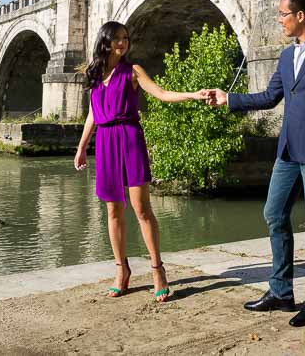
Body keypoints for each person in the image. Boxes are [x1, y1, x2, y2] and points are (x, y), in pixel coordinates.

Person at [205, 0, 305, 327]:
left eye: (283, 14)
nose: (280, 20)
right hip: (287, 150)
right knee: (273, 213)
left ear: (301, 16)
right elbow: (271, 96)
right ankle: (282, 292)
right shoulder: (287, 57)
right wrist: (229, 99)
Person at [74, 21, 207, 302]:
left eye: (126, 38)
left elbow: (160, 93)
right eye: (117, 39)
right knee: (112, 210)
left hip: (130, 138)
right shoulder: (94, 75)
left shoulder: (133, 71)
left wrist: (193, 95)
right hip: (106, 143)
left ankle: (158, 269)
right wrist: (83, 145)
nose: (123, 43)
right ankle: (121, 270)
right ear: (105, 42)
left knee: (142, 209)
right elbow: (93, 113)